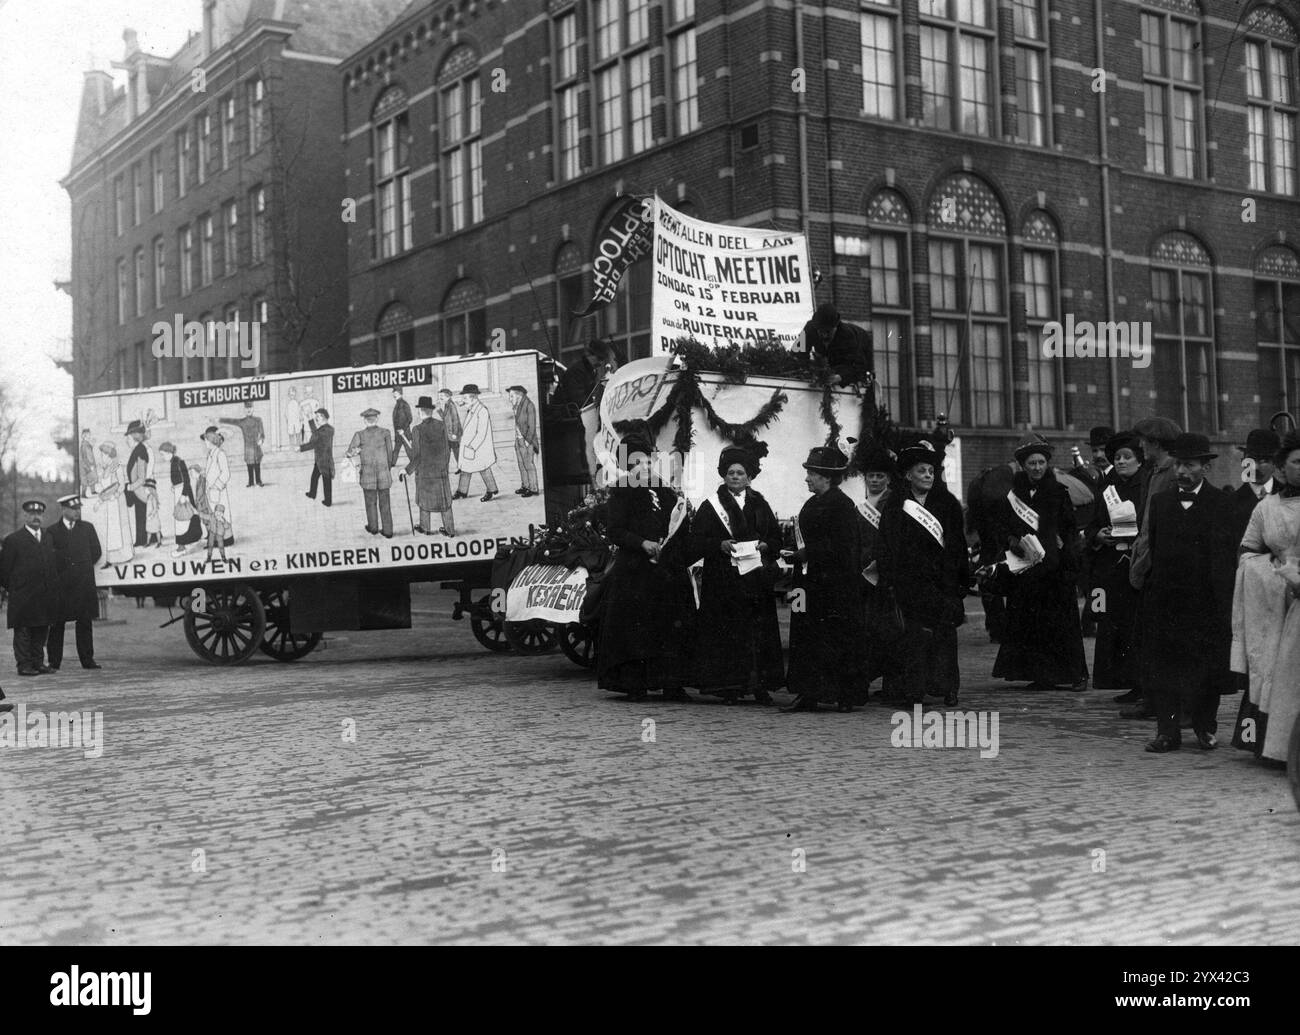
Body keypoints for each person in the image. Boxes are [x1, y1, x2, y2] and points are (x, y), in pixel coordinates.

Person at [1141, 433, 1236, 753]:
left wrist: (1221, 605)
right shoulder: (1161, 502)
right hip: (1168, 602)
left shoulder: (1221, 504)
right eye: (1178, 464)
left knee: (1206, 670)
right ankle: (1167, 732)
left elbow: (1223, 559)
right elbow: (1155, 548)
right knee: (1165, 669)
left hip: (1205, 604)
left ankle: (1204, 728)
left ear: (1205, 468)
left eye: (1190, 465)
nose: (1182, 471)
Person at [596, 425, 693, 702]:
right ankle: (635, 684)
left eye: (647, 461)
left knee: (668, 625)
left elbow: (678, 520)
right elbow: (615, 530)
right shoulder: (622, 492)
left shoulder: (665, 490)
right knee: (637, 628)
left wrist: (670, 541)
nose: (643, 466)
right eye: (635, 463)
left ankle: (671, 683)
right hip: (634, 571)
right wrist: (642, 543)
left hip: (664, 568)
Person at [688, 444, 784, 705]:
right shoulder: (710, 506)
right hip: (723, 580)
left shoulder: (760, 504)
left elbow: (775, 537)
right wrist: (718, 544)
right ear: (723, 475)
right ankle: (729, 687)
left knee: (757, 633)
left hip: (754, 578)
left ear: (749, 476)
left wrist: (766, 545)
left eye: (740, 473)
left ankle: (759, 686)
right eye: (730, 472)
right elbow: (696, 540)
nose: (735, 477)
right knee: (727, 633)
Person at [991, 438, 1089, 692]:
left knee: (1062, 623)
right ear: (1023, 465)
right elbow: (1001, 528)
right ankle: (1041, 674)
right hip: (1026, 567)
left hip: (1054, 569)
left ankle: (1075, 674)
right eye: (1031, 463)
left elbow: (1070, 529)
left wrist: (1063, 550)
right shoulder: (1013, 496)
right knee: (1032, 624)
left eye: (1041, 462)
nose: (1036, 468)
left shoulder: (1058, 492)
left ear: (1047, 464)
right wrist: (1013, 541)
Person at [876, 440, 966, 707]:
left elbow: (957, 546)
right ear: (907, 475)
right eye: (921, 471)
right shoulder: (896, 505)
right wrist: (889, 578)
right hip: (909, 584)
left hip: (941, 584)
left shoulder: (947, 504)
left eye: (930, 471)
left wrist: (957, 581)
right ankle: (911, 690)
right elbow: (887, 544)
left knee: (944, 638)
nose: (927, 476)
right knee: (910, 638)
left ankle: (947, 688)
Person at [1231, 431, 1300, 764]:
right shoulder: (1265, 507)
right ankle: (1277, 749)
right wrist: (1275, 574)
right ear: (1282, 467)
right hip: (1278, 603)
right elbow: (1247, 551)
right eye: (1298, 461)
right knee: (1281, 675)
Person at [782, 445, 867, 713]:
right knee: (805, 635)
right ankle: (807, 692)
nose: (807, 478)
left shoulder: (842, 505)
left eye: (812, 473)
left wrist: (806, 553)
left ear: (827, 477)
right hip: (807, 584)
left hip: (834, 585)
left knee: (835, 638)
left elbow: (844, 547)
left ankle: (844, 695)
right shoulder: (812, 503)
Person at [1123, 415, 1182, 719]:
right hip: (1146, 559)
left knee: (1160, 635)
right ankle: (1150, 696)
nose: (1141, 446)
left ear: (1157, 443)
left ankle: (1159, 700)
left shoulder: (1172, 473)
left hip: (1160, 563)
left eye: (1145, 441)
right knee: (1146, 634)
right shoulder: (1152, 472)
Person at [1086, 432, 1150, 696]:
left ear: (1138, 461)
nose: (1121, 462)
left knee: (1137, 625)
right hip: (1112, 566)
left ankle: (1141, 684)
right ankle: (1123, 680)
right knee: (1115, 625)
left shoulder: (1146, 487)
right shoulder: (1106, 490)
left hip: (1136, 564)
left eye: (1127, 457)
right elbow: (1092, 526)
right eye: (1118, 458)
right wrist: (1098, 535)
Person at [857, 443, 902, 696]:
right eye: (871, 476)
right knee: (869, 631)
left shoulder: (892, 503)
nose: (875, 480)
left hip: (884, 574)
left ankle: (892, 684)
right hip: (864, 575)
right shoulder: (861, 505)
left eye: (880, 476)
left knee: (889, 631)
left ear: (888, 479)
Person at [0, 500, 58, 676]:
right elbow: (3, 571)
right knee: (23, 631)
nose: (36, 517)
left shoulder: (48, 537)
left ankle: (38, 662)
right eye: (32, 514)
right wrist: (17, 588)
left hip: (43, 595)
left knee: (41, 629)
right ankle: (24, 665)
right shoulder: (13, 540)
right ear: (25, 516)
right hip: (23, 596)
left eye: (39, 514)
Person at [47, 495, 102, 671]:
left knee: (84, 623)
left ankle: (87, 660)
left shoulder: (87, 528)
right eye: (73, 509)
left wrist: (81, 568)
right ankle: (54, 661)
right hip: (61, 586)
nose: (77, 512)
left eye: (78, 508)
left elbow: (96, 552)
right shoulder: (52, 531)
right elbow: (49, 557)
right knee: (57, 624)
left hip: (83, 584)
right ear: (64, 510)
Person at [966, 457, 1018, 644]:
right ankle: (1006, 626)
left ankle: (995, 626)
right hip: (1002, 537)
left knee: (988, 574)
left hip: (988, 537)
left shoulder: (985, 482)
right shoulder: (1007, 480)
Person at [408, 395, 456, 537]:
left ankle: (426, 528)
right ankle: (450, 530)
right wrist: (444, 468)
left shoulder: (417, 430)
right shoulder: (442, 425)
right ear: (431, 411)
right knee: (445, 502)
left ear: (421, 411)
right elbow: (447, 450)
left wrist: (406, 470)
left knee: (424, 501)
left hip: (424, 474)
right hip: (440, 471)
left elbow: (417, 456)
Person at [347, 408, 397, 538]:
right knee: (385, 504)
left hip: (368, 475)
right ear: (377, 419)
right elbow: (390, 455)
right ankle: (388, 531)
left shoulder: (359, 435)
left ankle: (373, 528)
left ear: (364, 420)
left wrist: (356, 451)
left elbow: (349, 453)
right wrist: (387, 468)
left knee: (370, 503)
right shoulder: (386, 433)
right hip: (383, 474)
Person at [1228, 428, 1281, 548]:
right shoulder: (1228, 504)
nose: (1255, 467)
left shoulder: (1292, 497)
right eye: (1251, 460)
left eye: (1264, 460)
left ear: (1276, 463)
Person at [801, 303, 873, 387]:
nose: (824, 335)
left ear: (836, 327)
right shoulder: (809, 329)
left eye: (828, 332)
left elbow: (859, 366)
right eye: (821, 331)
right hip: (833, 361)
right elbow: (797, 353)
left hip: (864, 349)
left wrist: (840, 377)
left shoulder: (848, 336)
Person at [453, 385, 499, 502]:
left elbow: (481, 433)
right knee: (465, 469)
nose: (463, 401)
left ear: (473, 398)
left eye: (465, 398)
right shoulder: (472, 407)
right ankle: (462, 491)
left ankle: (491, 490)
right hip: (470, 447)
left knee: (483, 468)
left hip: (478, 447)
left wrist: (472, 446)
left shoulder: (482, 410)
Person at [158, 442, 204, 555]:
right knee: (186, 517)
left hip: (183, 493)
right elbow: (178, 479)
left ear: (169, 453)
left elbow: (186, 481)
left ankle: (181, 547)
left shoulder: (179, 462)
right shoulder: (174, 462)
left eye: (163, 454)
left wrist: (183, 495)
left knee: (182, 520)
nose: (163, 457)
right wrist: (174, 486)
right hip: (179, 492)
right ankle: (194, 538)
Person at [553, 338, 618, 409]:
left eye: (603, 359)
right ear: (589, 355)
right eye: (599, 358)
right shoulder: (577, 371)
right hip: (565, 414)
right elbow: (578, 398)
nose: (600, 363)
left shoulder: (590, 371)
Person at [200, 427, 234, 546]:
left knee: (221, 515)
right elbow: (212, 470)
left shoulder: (220, 454)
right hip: (211, 491)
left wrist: (216, 485)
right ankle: (214, 538)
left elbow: (226, 473)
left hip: (218, 491)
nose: (205, 443)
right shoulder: (211, 454)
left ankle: (226, 539)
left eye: (206, 440)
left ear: (212, 440)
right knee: (213, 515)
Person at [219, 401, 266, 487]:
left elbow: (262, 433)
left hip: (256, 447)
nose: (249, 410)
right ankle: (251, 482)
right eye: (247, 408)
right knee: (249, 465)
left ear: (253, 409)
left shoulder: (258, 420)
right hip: (248, 448)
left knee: (257, 464)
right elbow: (232, 421)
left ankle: (258, 481)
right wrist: (220, 419)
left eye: (250, 408)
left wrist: (261, 440)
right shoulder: (242, 421)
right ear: (244, 409)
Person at [507, 385, 540, 497]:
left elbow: (532, 426)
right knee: (521, 464)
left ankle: (533, 488)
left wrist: (528, 441)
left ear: (519, 395)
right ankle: (525, 485)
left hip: (527, 441)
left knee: (528, 464)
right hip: (519, 439)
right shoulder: (517, 405)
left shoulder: (529, 405)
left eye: (511, 396)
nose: (510, 399)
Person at [124, 419, 151, 547]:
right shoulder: (137, 449)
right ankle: (142, 539)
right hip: (137, 489)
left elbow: (142, 478)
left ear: (135, 435)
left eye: (129, 436)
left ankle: (145, 539)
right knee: (140, 514)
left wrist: (130, 487)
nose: (128, 439)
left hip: (140, 489)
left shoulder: (141, 450)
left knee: (142, 514)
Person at [301, 407, 335, 507]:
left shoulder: (327, 430)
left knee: (326, 480)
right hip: (320, 458)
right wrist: (310, 419)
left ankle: (328, 501)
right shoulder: (325, 429)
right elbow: (316, 434)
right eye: (316, 417)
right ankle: (312, 493)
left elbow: (314, 442)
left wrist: (300, 448)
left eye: (318, 417)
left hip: (324, 459)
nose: (317, 418)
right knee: (315, 476)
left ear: (324, 417)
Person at [438, 389, 463, 466]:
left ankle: (462, 467)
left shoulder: (451, 405)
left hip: (453, 434)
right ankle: (447, 468)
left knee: (456, 451)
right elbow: (445, 418)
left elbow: (455, 420)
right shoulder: (446, 404)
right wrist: (439, 410)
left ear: (447, 396)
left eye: (441, 396)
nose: (440, 397)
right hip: (448, 434)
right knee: (447, 451)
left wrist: (455, 433)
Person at [391, 387, 414, 466]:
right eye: (393, 393)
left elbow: (410, 418)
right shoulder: (397, 404)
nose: (394, 395)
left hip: (405, 433)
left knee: (409, 450)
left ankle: (415, 463)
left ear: (400, 393)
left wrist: (403, 430)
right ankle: (392, 463)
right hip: (398, 434)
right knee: (396, 450)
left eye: (396, 393)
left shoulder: (404, 404)